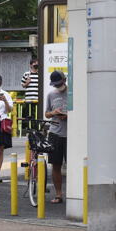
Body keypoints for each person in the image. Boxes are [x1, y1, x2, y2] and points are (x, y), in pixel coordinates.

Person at [44, 70, 68, 204]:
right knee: (56, 165)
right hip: (55, 133)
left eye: (59, 84)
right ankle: (58, 194)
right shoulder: (51, 94)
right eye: (56, 85)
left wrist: (68, 116)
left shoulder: (72, 93)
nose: (58, 86)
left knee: (73, 164)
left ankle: (75, 194)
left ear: (64, 80)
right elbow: (47, 114)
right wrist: (54, 112)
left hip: (71, 134)